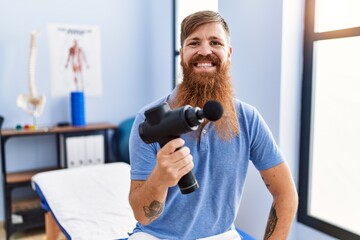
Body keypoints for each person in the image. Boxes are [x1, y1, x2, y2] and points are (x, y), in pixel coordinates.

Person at [128, 10, 298, 240]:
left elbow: (286, 194)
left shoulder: (248, 119)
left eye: (215, 42)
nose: (205, 51)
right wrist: (159, 179)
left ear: (228, 53)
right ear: (182, 54)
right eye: (194, 42)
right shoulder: (148, 121)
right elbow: (143, 215)